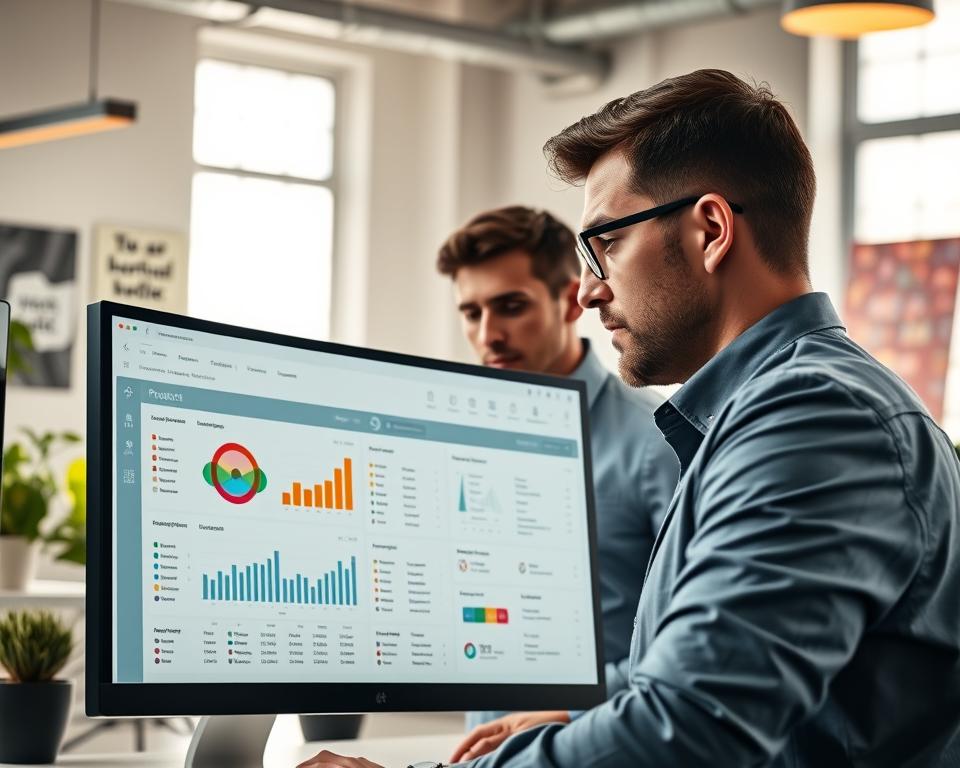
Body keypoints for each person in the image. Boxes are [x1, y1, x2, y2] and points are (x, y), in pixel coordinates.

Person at [297, 69, 960, 768]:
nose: (588, 290)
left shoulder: (813, 419)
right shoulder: (772, 411)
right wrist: (593, 705)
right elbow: (714, 680)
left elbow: (689, 727)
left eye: (606, 244)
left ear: (710, 230)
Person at [436, 205, 679, 737]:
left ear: (571, 302)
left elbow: (688, 649)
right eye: (472, 313)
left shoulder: (657, 443)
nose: (488, 334)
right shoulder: (466, 446)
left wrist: (571, 712)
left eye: (510, 306)